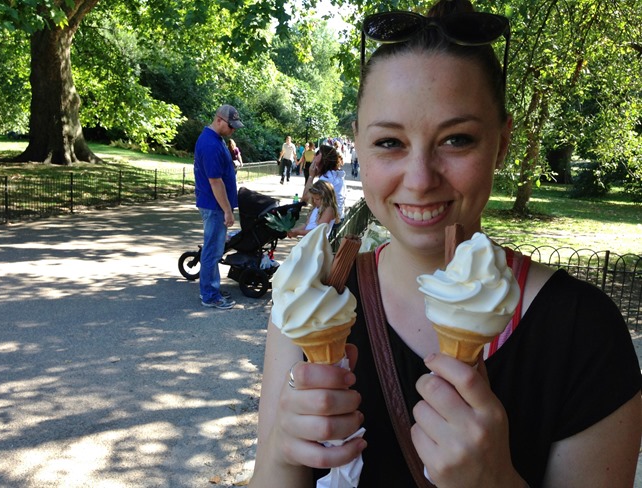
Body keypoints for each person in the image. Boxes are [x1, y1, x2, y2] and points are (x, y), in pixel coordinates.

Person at [250, 1, 641, 487]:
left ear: (501, 143)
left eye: (456, 140)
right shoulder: (309, 302)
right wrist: (282, 455)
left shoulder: (585, 331)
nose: (420, 180)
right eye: (389, 142)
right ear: (359, 143)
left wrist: (496, 480)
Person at [193, 104, 244, 310]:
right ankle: (209, 295)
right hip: (214, 206)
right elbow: (215, 182)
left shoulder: (216, 139)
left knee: (214, 249)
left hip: (215, 205)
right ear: (219, 120)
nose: (233, 130)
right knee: (212, 251)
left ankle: (211, 288)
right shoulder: (211, 144)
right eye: (231, 126)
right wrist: (227, 210)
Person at [302, 144, 347, 222]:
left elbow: (305, 199)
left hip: (330, 222)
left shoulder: (326, 179)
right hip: (338, 218)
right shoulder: (337, 175)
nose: (313, 158)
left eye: (316, 155)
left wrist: (311, 176)